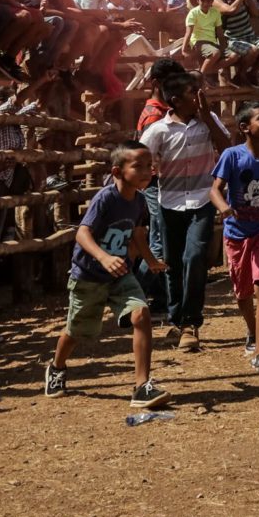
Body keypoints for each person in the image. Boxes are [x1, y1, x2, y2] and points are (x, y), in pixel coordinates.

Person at [46, 144, 171, 407]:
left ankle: (141, 386)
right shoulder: (105, 198)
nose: (147, 170)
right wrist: (103, 257)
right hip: (89, 276)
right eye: (138, 166)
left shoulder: (139, 200)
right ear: (117, 171)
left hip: (120, 275)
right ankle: (57, 367)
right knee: (77, 331)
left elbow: (137, 234)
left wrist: (151, 261)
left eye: (149, 165)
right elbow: (82, 233)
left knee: (142, 314)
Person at [139, 74, 233, 350]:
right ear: (176, 101)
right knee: (172, 263)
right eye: (194, 94)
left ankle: (191, 322)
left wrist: (207, 116)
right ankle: (176, 320)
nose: (200, 98)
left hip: (202, 202)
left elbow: (227, 149)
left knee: (195, 256)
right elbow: (141, 160)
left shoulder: (208, 122)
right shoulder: (158, 131)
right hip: (169, 202)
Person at [211, 99, 259, 374]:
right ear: (245, 127)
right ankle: (251, 329)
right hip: (236, 234)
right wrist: (223, 208)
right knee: (242, 294)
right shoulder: (231, 156)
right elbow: (214, 190)